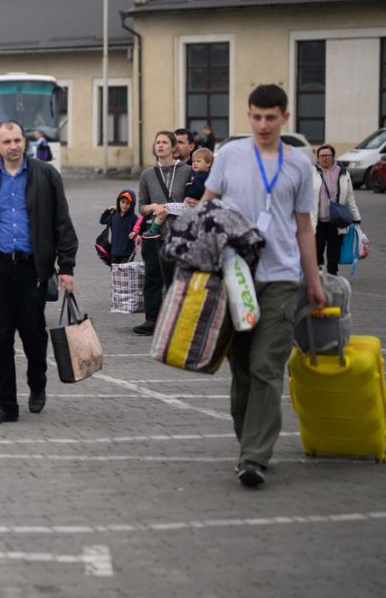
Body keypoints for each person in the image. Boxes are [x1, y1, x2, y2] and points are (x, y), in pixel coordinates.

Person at [202, 84, 325, 488]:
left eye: (271, 118)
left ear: (285, 118)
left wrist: (314, 280)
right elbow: (208, 207)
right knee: (240, 369)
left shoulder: (299, 165)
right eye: (256, 116)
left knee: (265, 366)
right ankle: (248, 445)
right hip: (235, 277)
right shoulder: (230, 155)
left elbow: (305, 227)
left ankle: (254, 456)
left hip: (281, 278)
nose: (263, 124)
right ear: (249, 115)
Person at [0, 121, 77, 424]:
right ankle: (5, 405)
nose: (13, 146)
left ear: (24, 142)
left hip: (32, 268)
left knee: (33, 335)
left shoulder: (45, 175)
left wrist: (66, 267)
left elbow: (62, 222)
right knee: (0, 339)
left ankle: (37, 384)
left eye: (18, 140)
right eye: (7, 141)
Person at [132, 130, 193, 336]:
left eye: (165, 142)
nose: (160, 145)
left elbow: (194, 199)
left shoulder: (187, 171)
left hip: (179, 234)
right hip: (154, 232)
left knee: (177, 279)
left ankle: (178, 321)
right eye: (157, 142)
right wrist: (153, 207)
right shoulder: (147, 175)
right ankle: (152, 320)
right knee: (153, 277)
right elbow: (141, 206)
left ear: (174, 148)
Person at [312, 144, 361, 275]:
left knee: (334, 251)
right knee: (317, 249)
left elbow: (350, 197)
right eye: (321, 156)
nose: (324, 158)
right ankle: (318, 273)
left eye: (327, 155)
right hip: (317, 221)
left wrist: (356, 218)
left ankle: (332, 275)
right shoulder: (312, 173)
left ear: (333, 156)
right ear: (318, 158)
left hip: (336, 220)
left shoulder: (343, 173)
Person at [99, 189, 139, 263]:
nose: (124, 205)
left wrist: (135, 233)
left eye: (128, 203)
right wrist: (108, 209)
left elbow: (139, 229)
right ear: (118, 202)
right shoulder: (114, 216)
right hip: (114, 253)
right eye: (122, 202)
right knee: (114, 274)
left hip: (127, 254)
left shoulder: (133, 218)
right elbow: (102, 220)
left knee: (124, 274)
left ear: (132, 205)